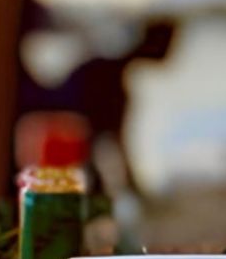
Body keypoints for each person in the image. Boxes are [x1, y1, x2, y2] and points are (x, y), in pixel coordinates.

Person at [55, 14, 179, 205]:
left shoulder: (109, 71)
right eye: (166, 45)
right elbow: (110, 139)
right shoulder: (108, 77)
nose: (168, 55)